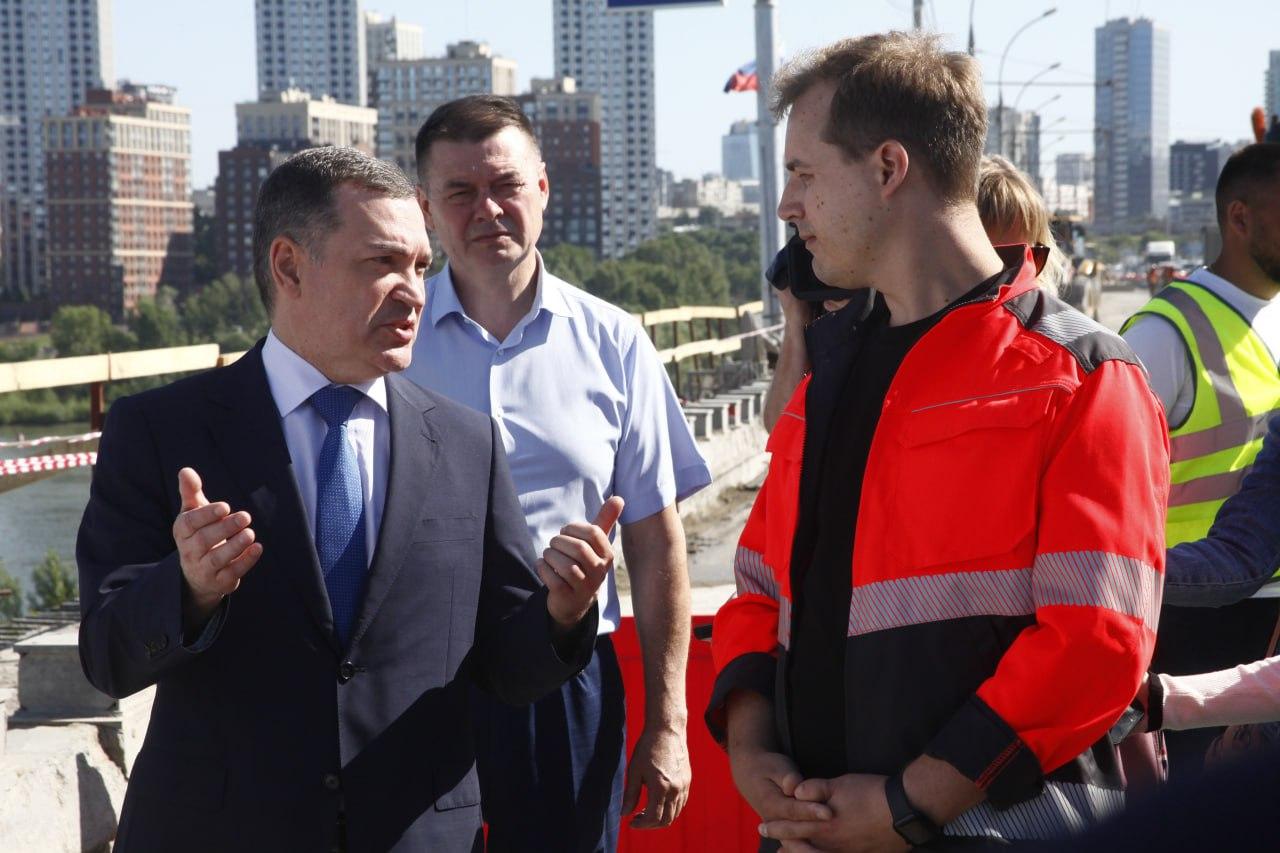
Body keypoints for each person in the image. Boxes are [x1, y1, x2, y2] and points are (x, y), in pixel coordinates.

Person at [76, 146, 614, 852]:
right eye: (382, 263)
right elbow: (107, 657)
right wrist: (188, 590)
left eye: (420, 266)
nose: (414, 292)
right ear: (290, 266)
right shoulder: (159, 431)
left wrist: (563, 612)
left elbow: (506, 669)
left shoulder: (468, 445)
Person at [706, 32, 1168, 850]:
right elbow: (757, 587)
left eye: (804, 174)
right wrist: (753, 752)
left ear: (889, 168)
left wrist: (910, 802)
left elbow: (1097, 641)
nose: (787, 206)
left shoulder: (1083, 374)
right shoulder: (829, 377)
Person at [405, 96, 711, 852]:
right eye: (460, 192)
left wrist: (668, 722)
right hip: (416, 681)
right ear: (425, 209)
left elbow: (656, 541)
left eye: (506, 185)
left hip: (566, 679)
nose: (487, 209)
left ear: (542, 188)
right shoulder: (388, 347)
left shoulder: (614, 342)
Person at [1121, 142, 1280, 774]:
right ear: (1240, 218)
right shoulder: (1163, 335)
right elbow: (1107, 487)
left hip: (1264, 621)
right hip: (1193, 623)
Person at [762, 153, 1067, 431]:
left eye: (1026, 260)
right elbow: (782, 431)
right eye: (987, 262)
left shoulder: (1062, 373)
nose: (1003, 281)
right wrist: (801, 325)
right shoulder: (882, 336)